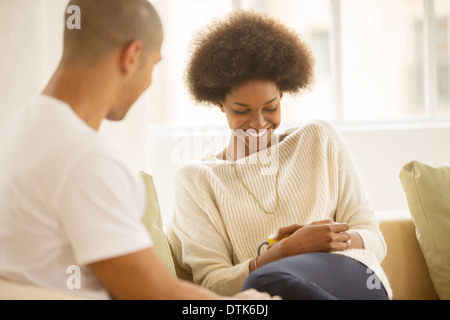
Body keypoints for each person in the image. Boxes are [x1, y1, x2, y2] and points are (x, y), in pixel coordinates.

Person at [0, 0, 279, 301]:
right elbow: (156, 295)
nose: (148, 81)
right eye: (153, 65)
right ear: (131, 56)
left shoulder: (17, 130)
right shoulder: (82, 158)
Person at [167, 10, 393, 300]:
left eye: (270, 107)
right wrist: (285, 251)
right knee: (268, 280)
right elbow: (212, 285)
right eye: (242, 110)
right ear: (218, 103)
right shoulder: (196, 180)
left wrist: (327, 241)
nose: (260, 123)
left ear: (283, 94)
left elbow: (375, 239)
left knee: (267, 280)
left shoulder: (319, 139)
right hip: (273, 290)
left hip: (357, 279)